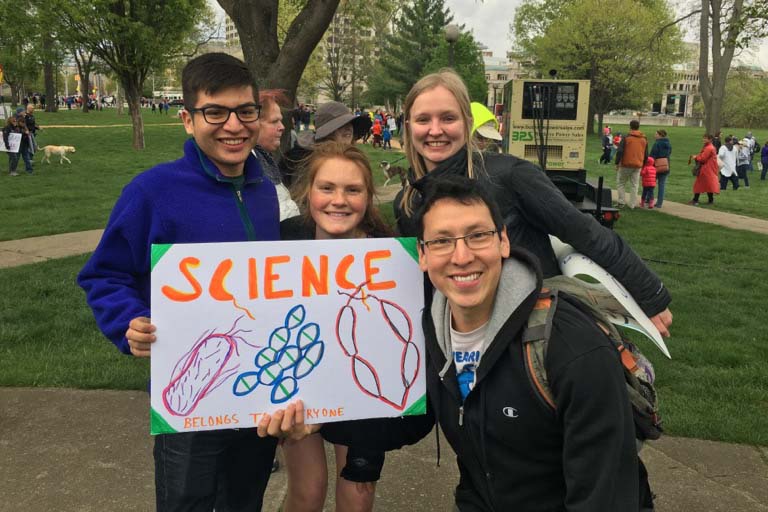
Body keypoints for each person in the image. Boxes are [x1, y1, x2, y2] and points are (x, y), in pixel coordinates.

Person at [262, 176, 644, 511]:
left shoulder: (571, 346)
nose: (462, 257)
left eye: (478, 235)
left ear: (503, 242)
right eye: (442, 241)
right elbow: (405, 427)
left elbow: (606, 493)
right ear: (423, 256)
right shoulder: (431, 332)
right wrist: (316, 423)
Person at [77, 52, 280, 511]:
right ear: (188, 119)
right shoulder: (153, 191)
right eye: (216, 112)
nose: (234, 125)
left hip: (256, 392)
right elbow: (104, 273)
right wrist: (127, 320)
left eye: (246, 111)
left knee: (245, 499)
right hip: (188, 398)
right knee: (185, 501)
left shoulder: (265, 190)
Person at [393, 69, 672, 337]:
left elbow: (585, 232)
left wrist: (649, 295)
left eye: (448, 118)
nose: (435, 130)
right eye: (423, 120)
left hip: (532, 332)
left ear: (466, 123)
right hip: (458, 339)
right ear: (408, 126)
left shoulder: (510, 175)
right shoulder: (407, 203)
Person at [280, 141, 395, 512]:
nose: (338, 200)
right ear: (307, 192)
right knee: (308, 491)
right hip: (301, 380)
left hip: (360, 382)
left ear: (368, 196)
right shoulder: (283, 239)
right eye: (326, 188)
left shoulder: (390, 255)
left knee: (357, 494)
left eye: (353, 190)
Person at [280, 101, 370, 186]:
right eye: (341, 124)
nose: (348, 128)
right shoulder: (306, 163)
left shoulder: (352, 159)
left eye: (350, 123)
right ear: (327, 133)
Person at [253, 88, 300, 220]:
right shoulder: (249, 166)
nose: (282, 127)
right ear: (253, 124)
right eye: (274, 121)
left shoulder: (263, 158)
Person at [614, 120, 648, 209]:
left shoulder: (626, 137)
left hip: (626, 163)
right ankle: (632, 204)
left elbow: (620, 151)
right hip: (638, 164)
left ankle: (621, 202)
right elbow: (646, 153)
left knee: (621, 183)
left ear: (630, 126)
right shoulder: (644, 138)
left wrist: (617, 162)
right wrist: (643, 164)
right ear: (638, 127)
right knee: (634, 185)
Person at [689, 133, 720, 206]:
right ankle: (709, 200)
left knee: (700, 183)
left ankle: (696, 200)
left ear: (710, 139)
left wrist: (696, 157)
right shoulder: (709, 147)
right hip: (709, 168)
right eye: (703, 138)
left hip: (706, 168)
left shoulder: (709, 148)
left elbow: (703, 159)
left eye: (705, 138)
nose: (704, 139)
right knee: (707, 184)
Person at [649, 129, 671, 208]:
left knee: (651, 183)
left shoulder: (657, 144)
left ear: (660, 135)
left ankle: (649, 199)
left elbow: (652, 155)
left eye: (656, 134)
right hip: (665, 166)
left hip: (656, 166)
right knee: (662, 185)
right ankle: (659, 203)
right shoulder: (668, 144)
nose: (655, 135)